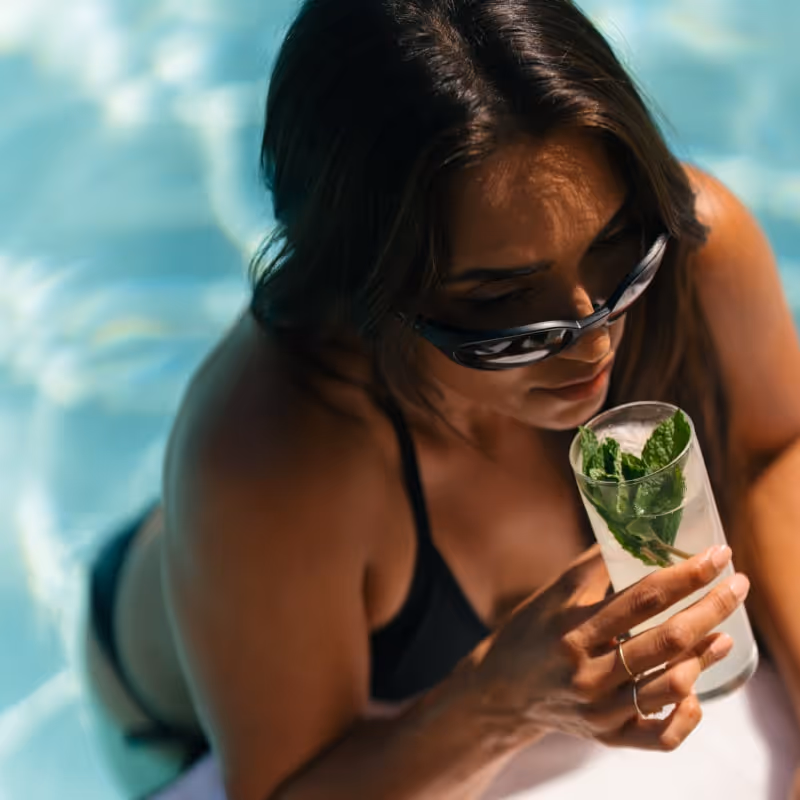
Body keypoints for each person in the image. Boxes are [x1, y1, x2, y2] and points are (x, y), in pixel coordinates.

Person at [78, 0, 800, 798]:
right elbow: (280, 788)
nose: (593, 341)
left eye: (617, 249)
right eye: (500, 304)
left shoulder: (696, 252)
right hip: (183, 706)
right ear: (361, 294)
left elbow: (777, 451)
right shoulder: (276, 456)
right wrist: (501, 704)